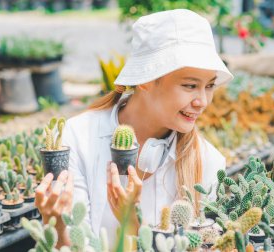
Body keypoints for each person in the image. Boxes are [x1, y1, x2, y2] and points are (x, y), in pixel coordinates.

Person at [35, 8, 234, 248]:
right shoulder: (76, 137)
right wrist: (54, 221)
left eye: (209, 86)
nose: (202, 101)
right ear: (147, 80)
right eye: (190, 86)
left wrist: (132, 226)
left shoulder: (208, 161)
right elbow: (73, 243)